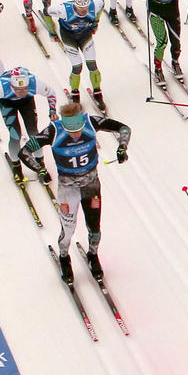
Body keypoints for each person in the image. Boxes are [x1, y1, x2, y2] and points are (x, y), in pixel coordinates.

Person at [25, 95, 131, 284]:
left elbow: (124, 128)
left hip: (91, 186)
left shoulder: (90, 121)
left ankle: (93, 255)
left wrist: (122, 147)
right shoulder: (54, 130)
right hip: (68, 189)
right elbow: (24, 151)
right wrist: (40, 169)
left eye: (78, 130)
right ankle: (64, 258)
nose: (75, 135)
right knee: (68, 230)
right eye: (71, 131)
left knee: (95, 228)